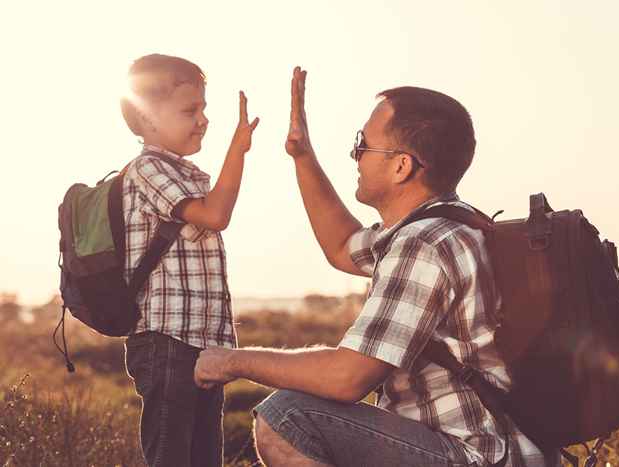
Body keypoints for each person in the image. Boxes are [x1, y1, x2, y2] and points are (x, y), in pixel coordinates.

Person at [195, 66, 559, 466]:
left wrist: (231, 360)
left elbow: (347, 377)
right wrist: (302, 154)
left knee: (289, 417)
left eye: (363, 144)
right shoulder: (453, 223)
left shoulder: (423, 245)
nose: (355, 154)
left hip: (475, 456)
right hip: (498, 449)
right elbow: (340, 245)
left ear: (402, 166)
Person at [120, 53, 259, 467]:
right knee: (172, 457)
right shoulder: (146, 170)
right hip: (166, 339)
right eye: (189, 110)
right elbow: (215, 215)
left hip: (200, 342)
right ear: (147, 118)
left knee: (204, 458)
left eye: (203, 108)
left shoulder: (188, 174)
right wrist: (238, 151)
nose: (203, 119)